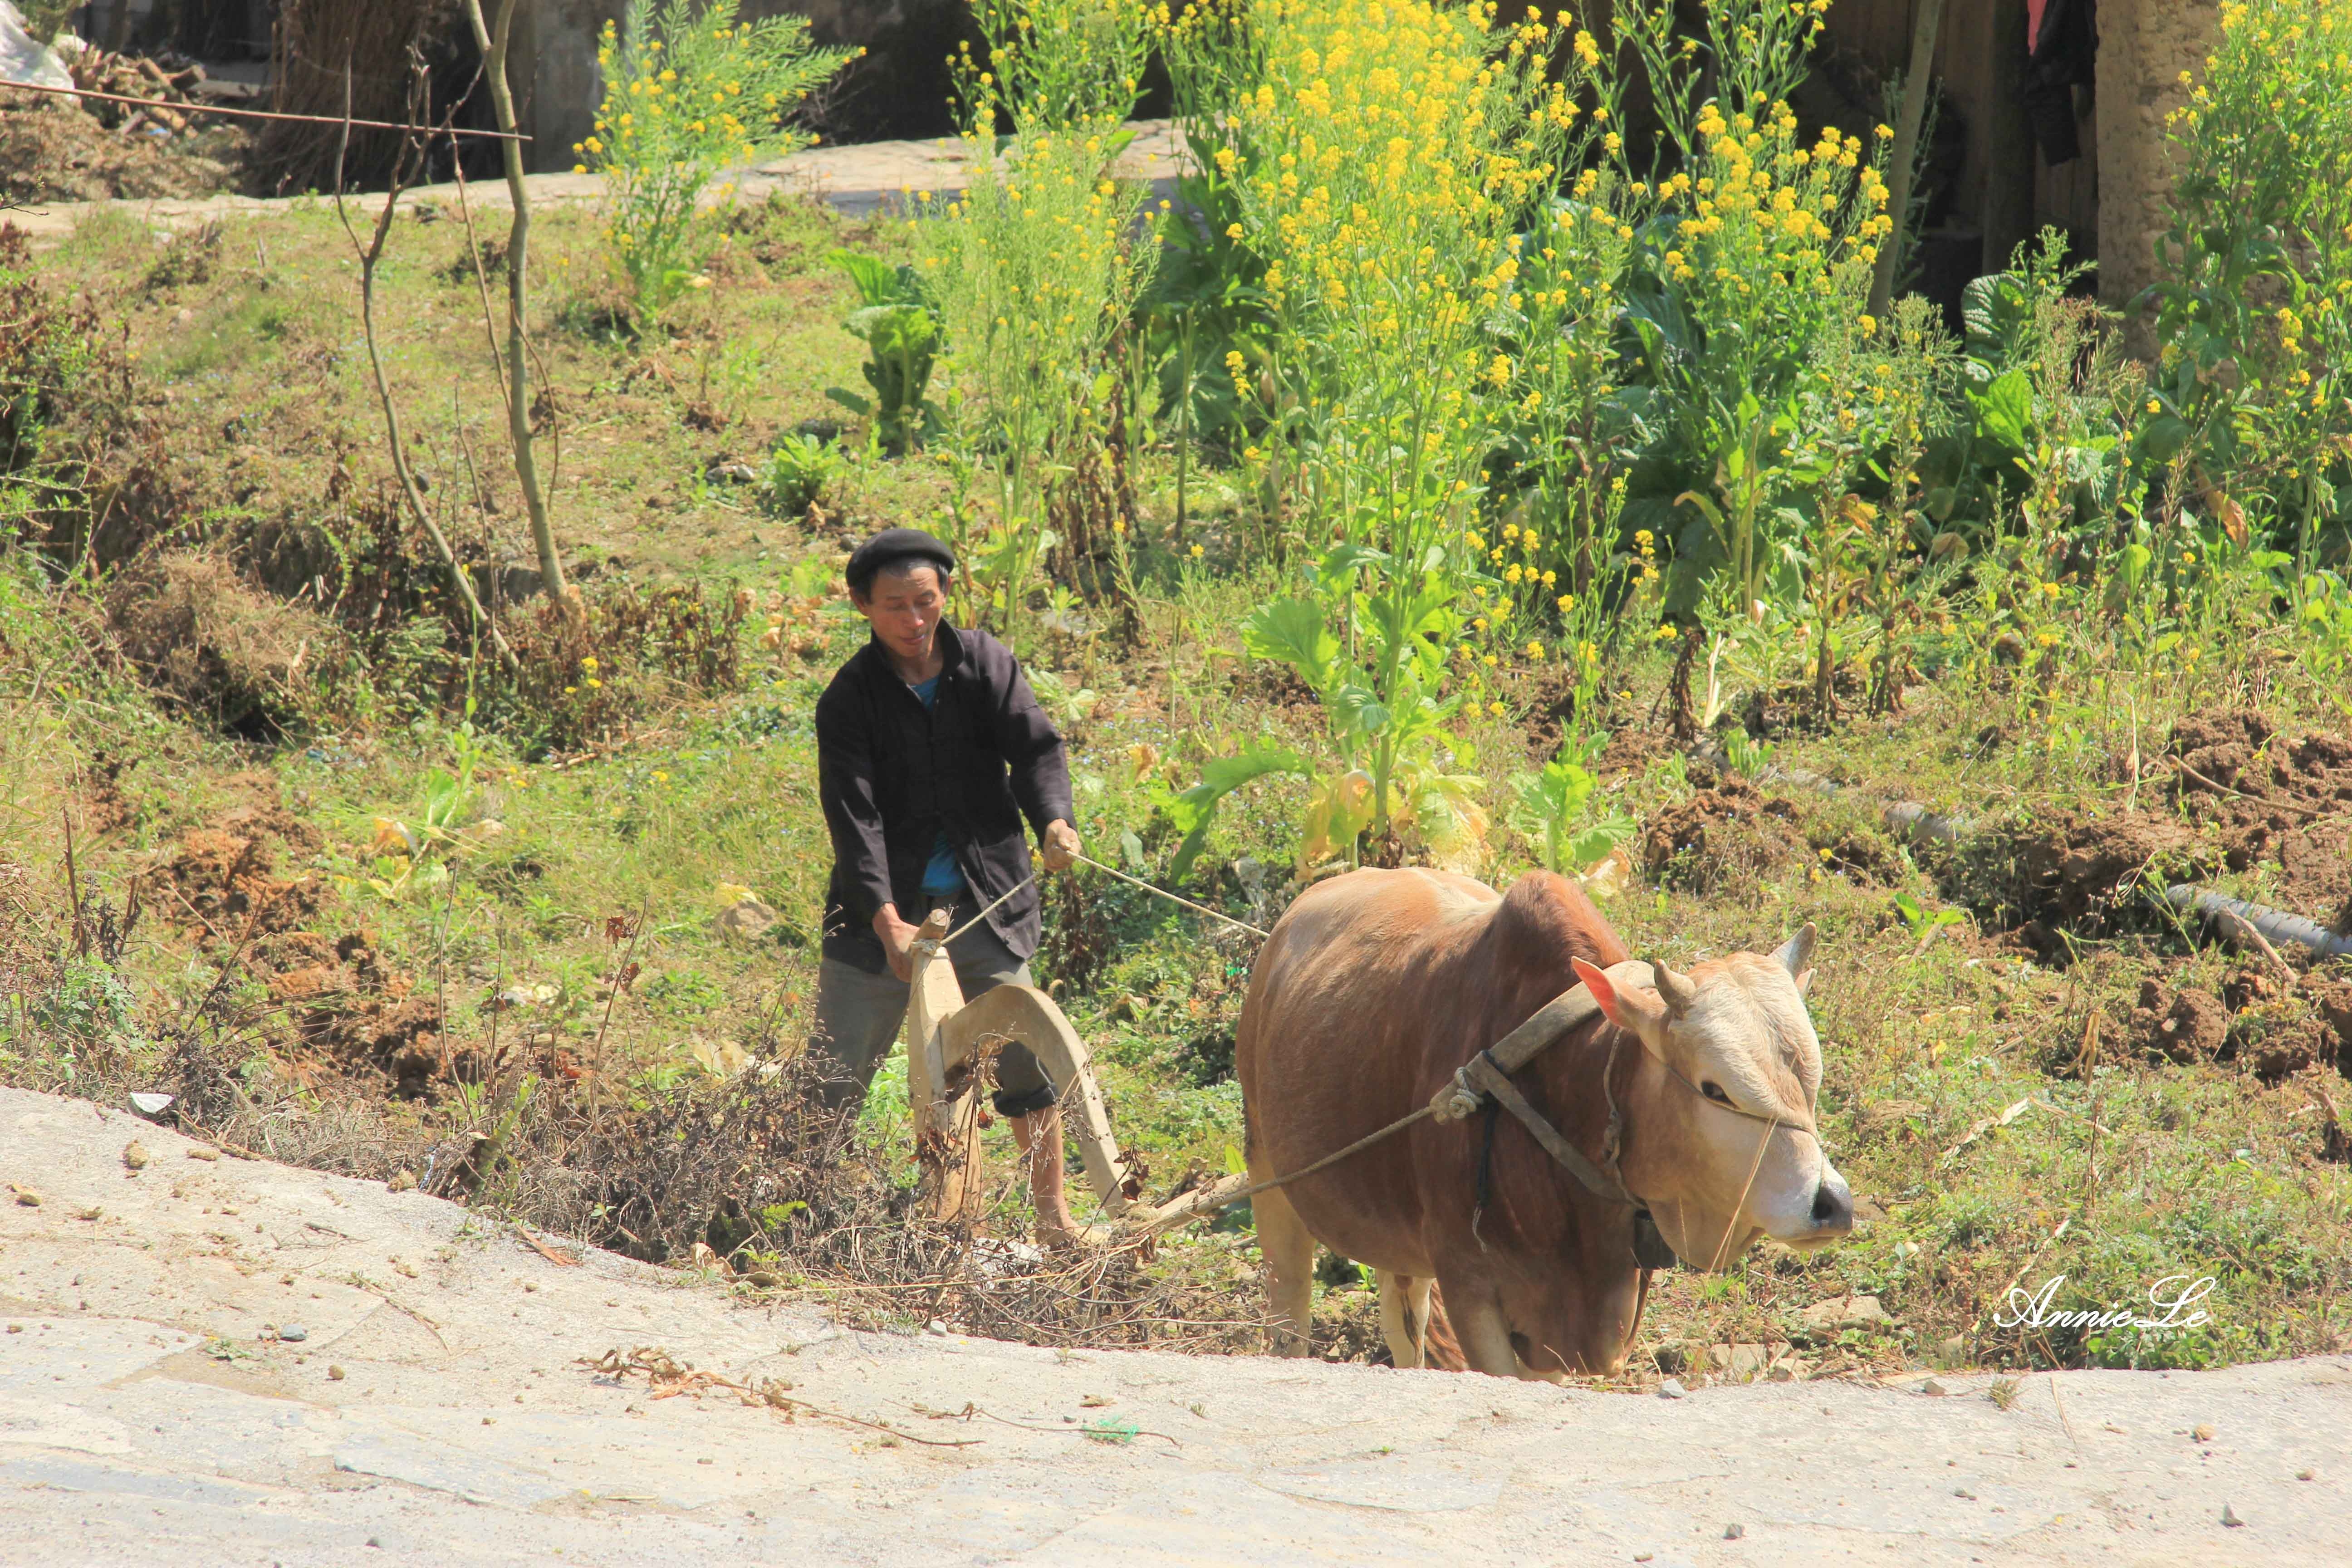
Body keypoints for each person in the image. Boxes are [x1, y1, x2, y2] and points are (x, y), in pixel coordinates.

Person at [807, 527, 1088, 1245]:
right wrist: (886, 920)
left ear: (946, 595)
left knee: (1022, 1054)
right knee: (831, 1079)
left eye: (925, 602)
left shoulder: (986, 665)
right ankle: (796, 1213)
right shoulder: (849, 700)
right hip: (882, 919)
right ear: (862, 606)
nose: (913, 621)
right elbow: (854, 817)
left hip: (983, 901)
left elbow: (1035, 750)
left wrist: (1055, 820)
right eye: (895, 606)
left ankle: (1053, 1216)